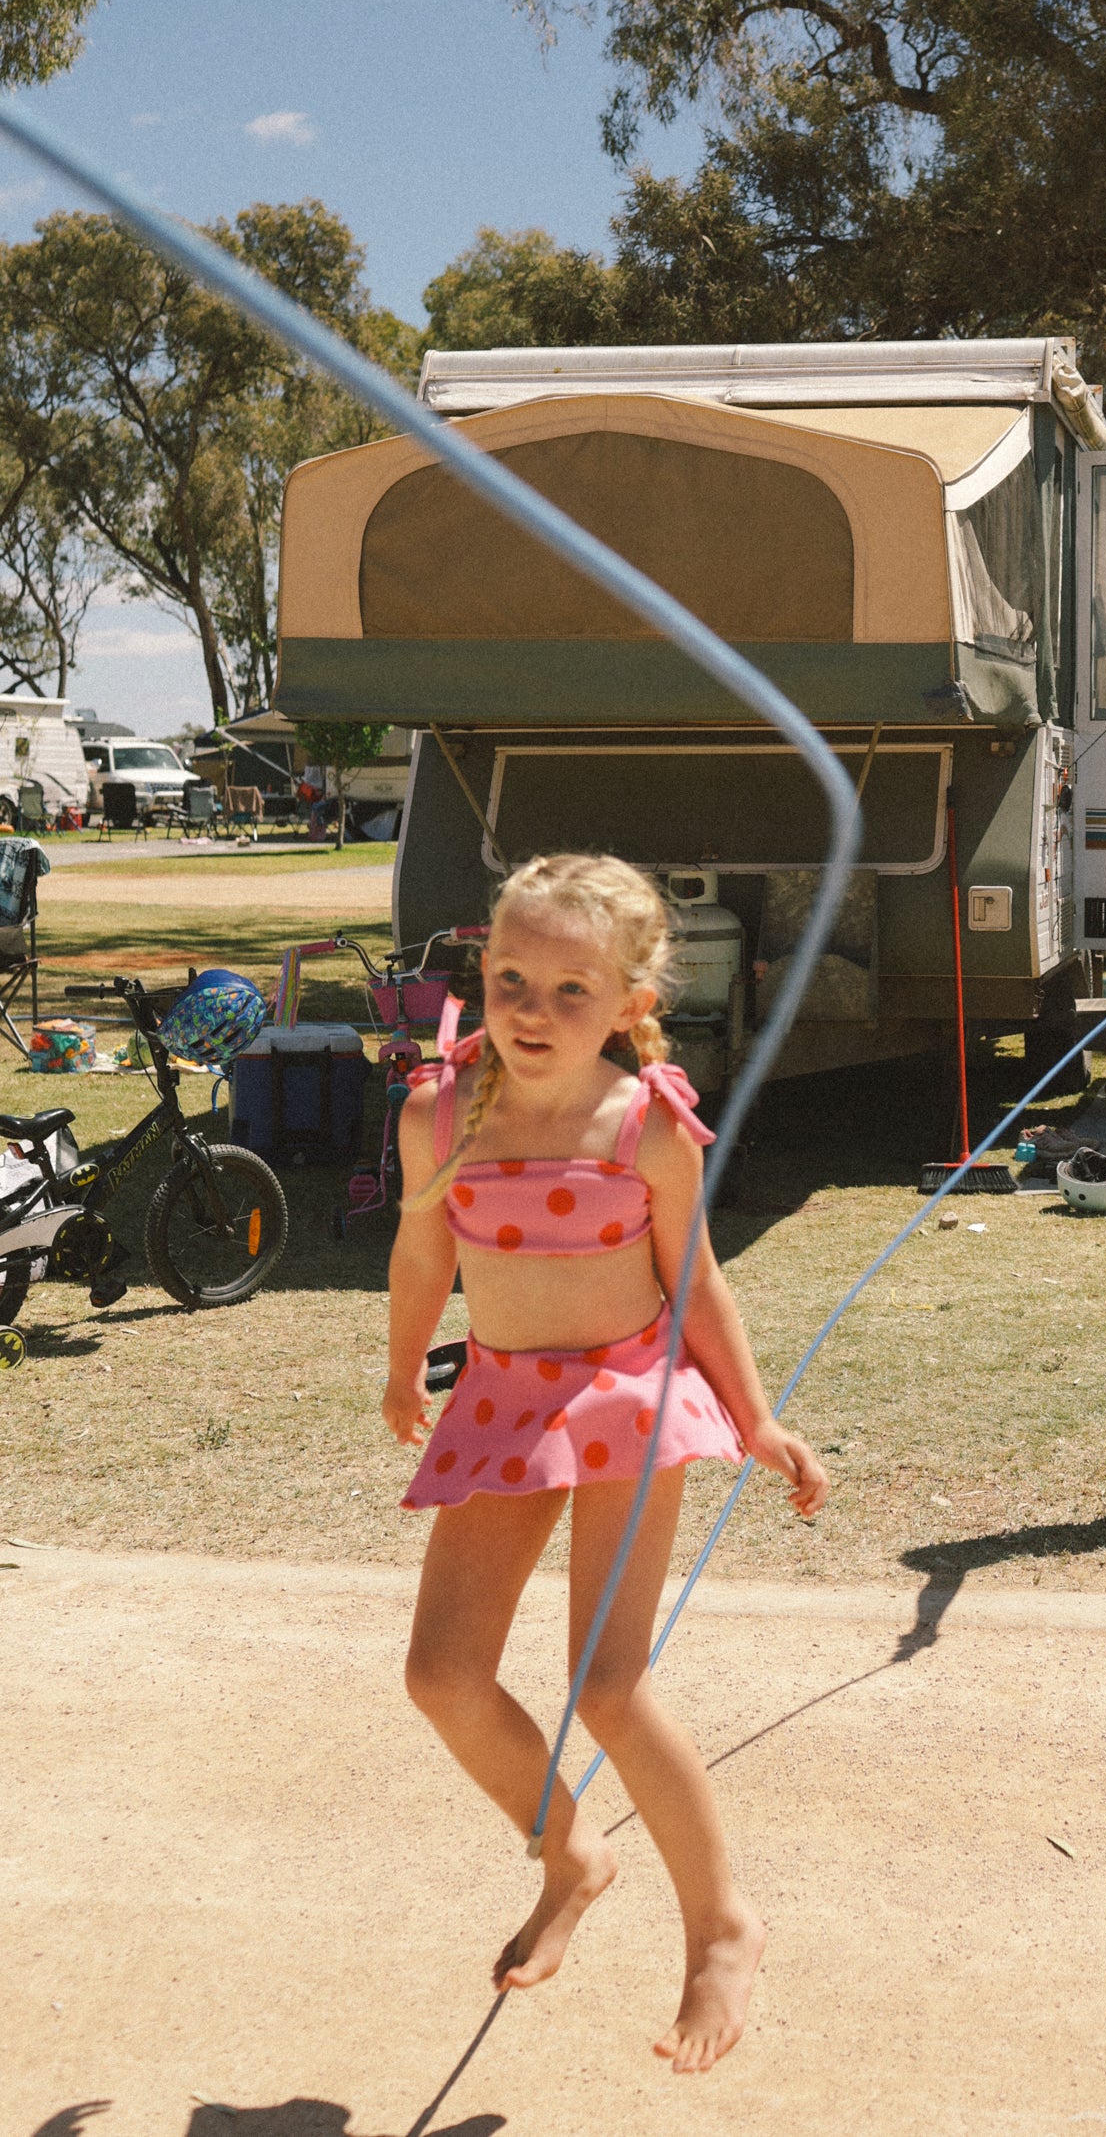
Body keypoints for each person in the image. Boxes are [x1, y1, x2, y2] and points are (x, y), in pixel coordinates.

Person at [383, 853, 828, 2074]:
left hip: (629, 1397)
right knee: (441, 1673)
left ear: (632, 1003)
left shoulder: (644, 1124)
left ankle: (720, 1925)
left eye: (570, 989)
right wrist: (401, 1359)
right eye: (511, 977)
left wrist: (758, 1416)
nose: (532, 1009)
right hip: (503, 1401)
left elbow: (694, 1283)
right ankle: (570, 1853)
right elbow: (422, 1255)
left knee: (608, 1685)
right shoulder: (440, 1111)